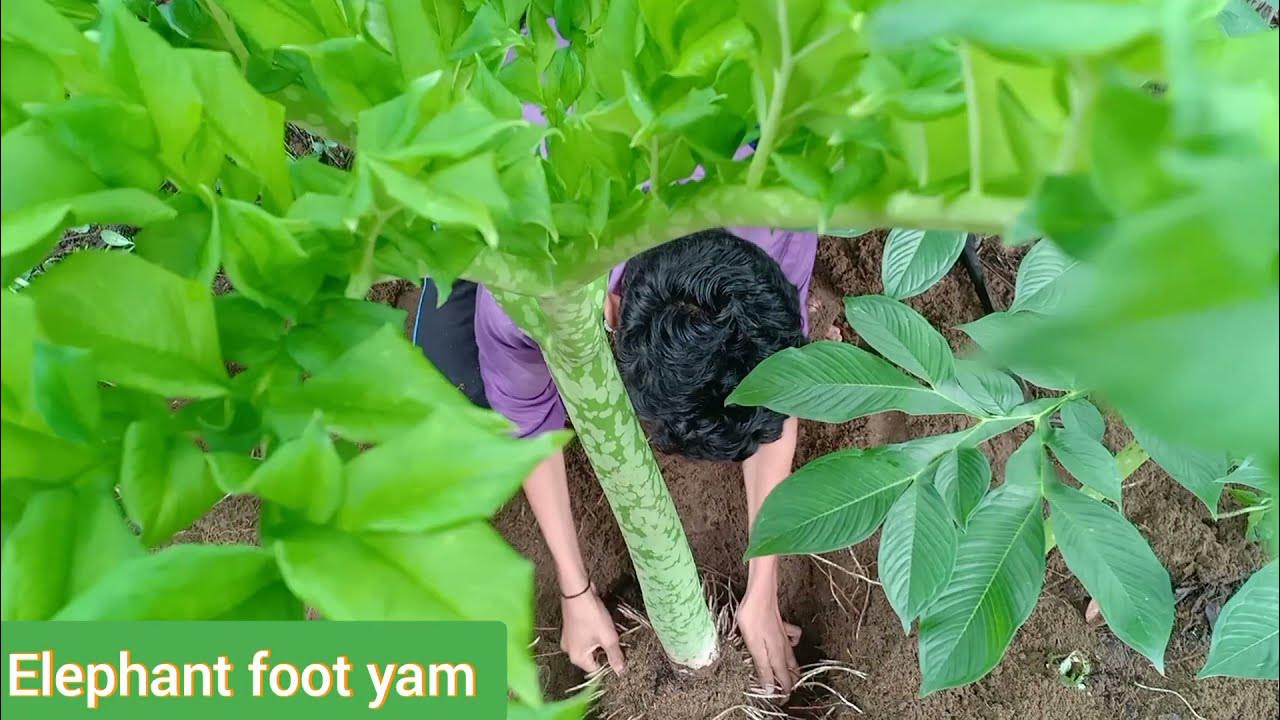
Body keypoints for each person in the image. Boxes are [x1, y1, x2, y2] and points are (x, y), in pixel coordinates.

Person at [413, 227, 817, 693]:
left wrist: (763, 583)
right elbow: (526, 430)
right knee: (462, 395)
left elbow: (778, 390)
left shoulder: (781, 222)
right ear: (613, 310)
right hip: (497, 213)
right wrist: (574, 588)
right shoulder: (526, 294)